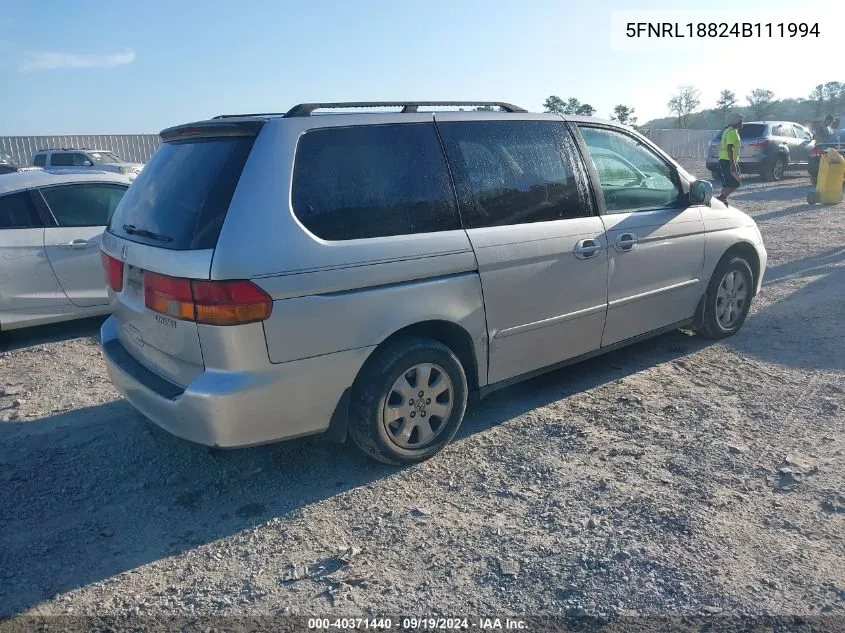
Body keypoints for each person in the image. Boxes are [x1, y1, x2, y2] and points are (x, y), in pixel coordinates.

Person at [717, 113, 742, 205]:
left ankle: (722, 199)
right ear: (736, 122)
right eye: (740, 121)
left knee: (729, 182)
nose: (742, 124)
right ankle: (721, 198)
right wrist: (733, 163)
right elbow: (730, 148)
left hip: (725, 160)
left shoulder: (727, 130)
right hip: (728, 160)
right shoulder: (732, 132)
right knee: (736, 182)